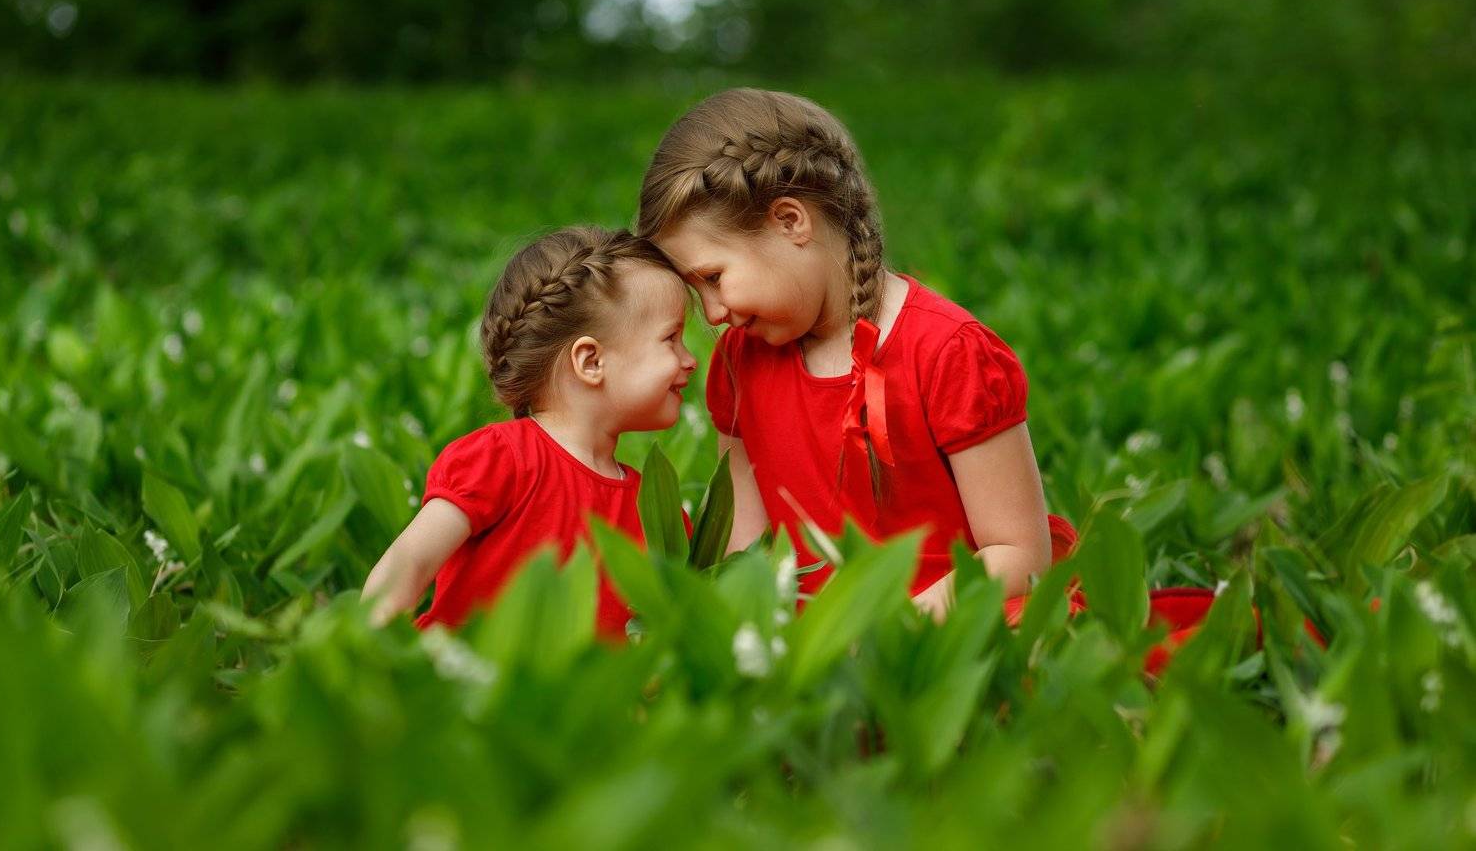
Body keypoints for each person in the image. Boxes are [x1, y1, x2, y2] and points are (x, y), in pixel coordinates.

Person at [637, 88, 1067, 620]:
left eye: (714, 278)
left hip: (955, 617)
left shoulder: (948, 351)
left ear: (790, 220)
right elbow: (740, 552)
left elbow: (1021, 555)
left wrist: (889, 630)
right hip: (822, 631)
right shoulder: (738, 363)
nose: (714, 312)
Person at [361, 226, 697, 636]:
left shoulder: (658, 513)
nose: (690, 360)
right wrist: (375, 655)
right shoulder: (501, 459)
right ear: (591, 361)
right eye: (672, 339)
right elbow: (410, 563)